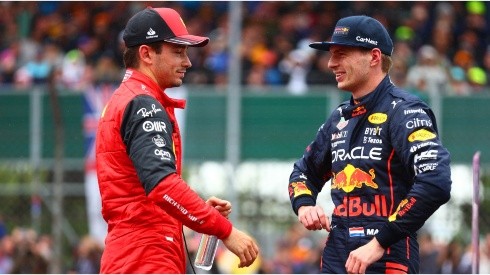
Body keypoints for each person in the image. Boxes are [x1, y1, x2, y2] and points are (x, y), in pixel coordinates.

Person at [95, 7, 259, 273]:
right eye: (178, 52)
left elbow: (145, 191)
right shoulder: (142, 104)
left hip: (135, 253)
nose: (188, 62)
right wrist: (226, 231)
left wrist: (196, 211)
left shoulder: (126, 98)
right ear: (146, 54)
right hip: (146, 257)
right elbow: (162, 185)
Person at [287, 15, 452, 274]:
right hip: (336, 256)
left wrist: (379, 242)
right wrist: (305, 204)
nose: (331, 63)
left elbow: (435, 182)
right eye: (331, 55)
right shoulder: (338, 117)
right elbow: (303, 173)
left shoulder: (406, 111)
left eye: (341, 54)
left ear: (374, 57)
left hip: (387, 257)